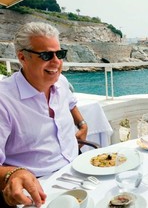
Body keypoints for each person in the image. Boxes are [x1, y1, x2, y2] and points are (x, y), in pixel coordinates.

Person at [0, 22, 88, 207]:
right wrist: (12, 174)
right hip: (36, 190)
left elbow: (71, 103)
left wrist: (82, 125)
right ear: (22, 57)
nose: (56, 62)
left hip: (78, 171)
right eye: (46, 55)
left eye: (60, 54)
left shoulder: (61, 82)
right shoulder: (4, 101)